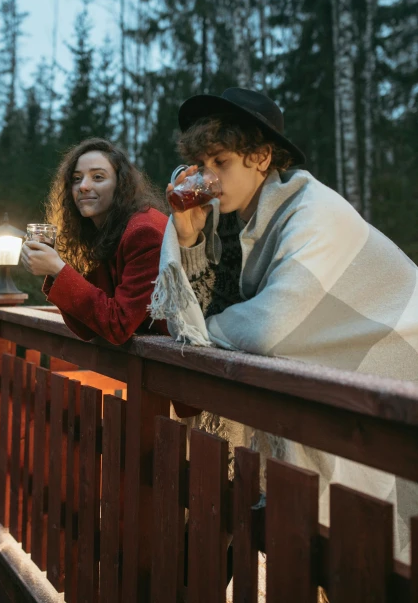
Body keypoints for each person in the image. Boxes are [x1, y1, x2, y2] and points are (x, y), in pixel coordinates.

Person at [150, 86, 418, 562]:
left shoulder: (313, 212)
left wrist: (199, 331)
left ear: (261, 156)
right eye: (202, 165)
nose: (208, 178)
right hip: (359, 393)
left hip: (402, 366)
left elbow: (270, 328)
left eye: (221, 161)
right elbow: (207, 305)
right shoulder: (235, 222)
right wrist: (189, 239)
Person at [21, 137, 168, 345]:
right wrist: (54, 271)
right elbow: (90, 326)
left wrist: (57, 269)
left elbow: (118, 325)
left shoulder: (143, 233)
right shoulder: (108, 230)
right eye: (76, 178)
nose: (83, 186)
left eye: (98, 177)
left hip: (183, 363)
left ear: (121, 184)